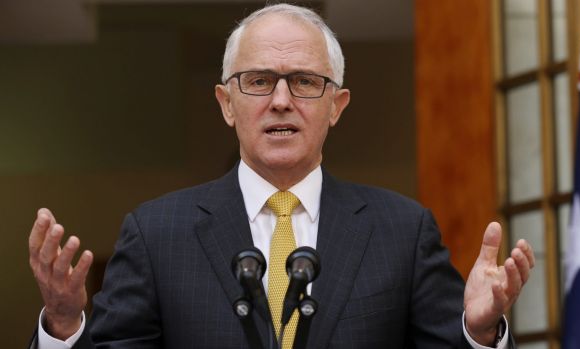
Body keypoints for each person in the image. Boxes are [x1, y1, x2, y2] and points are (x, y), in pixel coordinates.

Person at [28, 4, 535, 349]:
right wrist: (65, 324)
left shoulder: (402, 231)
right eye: (259, 81)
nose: (280, 100)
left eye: (305, 82)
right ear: (227, 104)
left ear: (337, 106)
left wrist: (478, 334)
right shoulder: (157, 234)